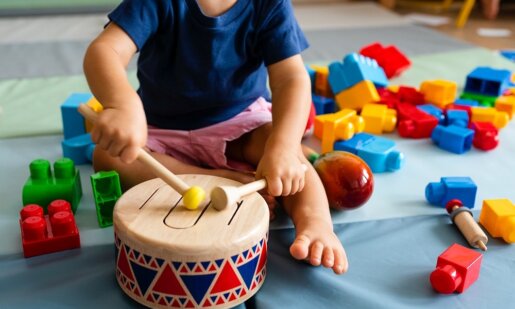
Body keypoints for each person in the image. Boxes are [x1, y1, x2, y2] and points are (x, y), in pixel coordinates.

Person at [83, 0, 348, 274]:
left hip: (239, 121)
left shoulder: (269, 4)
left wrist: (283, 146)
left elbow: (290, 78)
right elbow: (105, 50)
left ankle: (315, 223)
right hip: (159, 127)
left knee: (286, 150)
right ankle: (220, 179)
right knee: (107, 156)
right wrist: (123, 106)